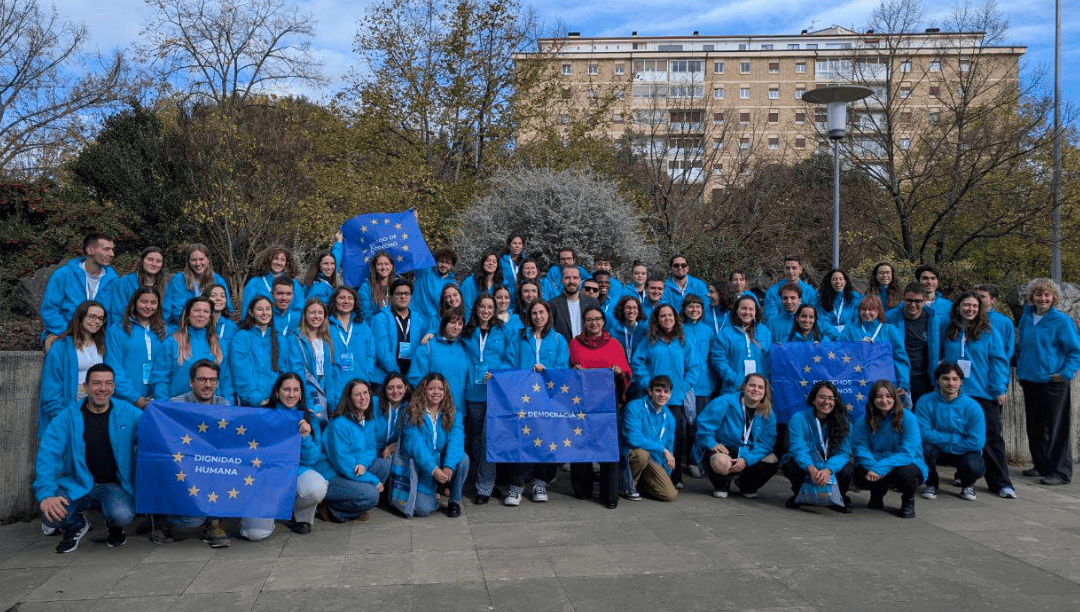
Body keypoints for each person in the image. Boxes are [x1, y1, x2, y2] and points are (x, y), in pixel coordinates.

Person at [34, 364, 140, 553]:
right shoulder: (67, 417)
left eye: (108, 383)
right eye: (96, 383)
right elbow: (48, 455)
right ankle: (75, 525)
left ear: (114, 387)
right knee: (49, 514)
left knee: (122, 515)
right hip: (76, 484)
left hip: (112, 486)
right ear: (85, 387)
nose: (103, 388)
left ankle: (114, 525)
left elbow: (155, 431)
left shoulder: (129, 413)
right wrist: (46, 494)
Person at [941, 291, 1012, 497]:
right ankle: (964, 476)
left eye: (974, 306)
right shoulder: (949, 329)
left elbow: (999, 361)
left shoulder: (989, 331)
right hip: (954, 394)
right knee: (959, 435)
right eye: (966, 305)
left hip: (983, 393)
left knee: (991, 439)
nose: (970, 309)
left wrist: (999, 388)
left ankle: (1001, 483)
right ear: (958, 307)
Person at [160, 359, 231, 548]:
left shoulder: (224, 404)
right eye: (202, 380)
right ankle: (162, 516)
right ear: (191, 382)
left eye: (212, 380)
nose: (208, 385)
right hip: (183, 469)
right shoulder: (175, 405)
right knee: (192, 520)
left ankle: (215, 523)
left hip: (211, 467)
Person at [1016, 280, 1080, 486]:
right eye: (1038, 295)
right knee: (1035, 427)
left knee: (1056, 428)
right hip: (1030, 380)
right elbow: (1024, 348)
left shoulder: (1061, 321)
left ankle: (1060, 472)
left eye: (1047, 295)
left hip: (1053, 382)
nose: (1042, 299)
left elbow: (1074, 350)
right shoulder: (1026, 318)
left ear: (1054, 298)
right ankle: (1041, 465)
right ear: (1032, 297)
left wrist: (1066, 373)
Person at [505, 301, 568, 505]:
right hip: (523, 398)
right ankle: (515, 488)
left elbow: (563, 368)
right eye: (534, 313)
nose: (538, 316)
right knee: (521, 441)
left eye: (541, 312)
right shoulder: (520, 336)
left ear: (548, 314)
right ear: (529, 316)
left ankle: (540, 483)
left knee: (544, 439)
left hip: (547, 399)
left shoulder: (558, 339)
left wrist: (547, 369)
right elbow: (509, 362)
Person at [631, 304, 700, 489]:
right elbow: (637, 363)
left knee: (675, 436)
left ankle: (674, 476)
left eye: (670, 315)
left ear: (675, 318)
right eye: (663, 316)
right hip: (653, 397)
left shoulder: (683, 340)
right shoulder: (649, 340)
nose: (667, 319)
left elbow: (694, 367)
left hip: (675, 398)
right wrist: (648, 384)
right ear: (657, 319)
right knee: (650, 434)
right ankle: (648, 476)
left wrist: (682, 387)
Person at [568, 305, 630, 508]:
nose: (593, 322)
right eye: (589, 319)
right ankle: (582, 488)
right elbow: (565, 371)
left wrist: (619, 373)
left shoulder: (614, 344)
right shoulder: (574, 345)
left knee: (607, 447)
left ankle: (609, 495)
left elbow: (627, 373)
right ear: (584, 322)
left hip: (606, 403)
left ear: (603, 322)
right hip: (581, 403)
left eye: (597, 319)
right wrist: (573, 369)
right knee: (581, 442)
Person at [253, 373, 330, 536]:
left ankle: (300, 516)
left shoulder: (309, 417)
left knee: (317, 487)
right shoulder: (262, 414)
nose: (291, 394)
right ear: (277, 392)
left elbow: (312, 458)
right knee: (255, 533)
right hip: (267, 476)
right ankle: (271, 515)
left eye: (296, 390)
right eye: (286, 389)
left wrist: (305, 438)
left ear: (301, 393)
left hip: (296, 471)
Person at [695, 373, 779, 498]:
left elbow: (767, 443)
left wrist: (747, 459)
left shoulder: (768, 413)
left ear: (764, 392)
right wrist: (711, 444)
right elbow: (704, 426)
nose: (756, 389)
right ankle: (722, 484)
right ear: (744, 386)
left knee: (772, 459)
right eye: (752, 385)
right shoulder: (725, 402)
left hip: (748, 452)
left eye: (760, 387)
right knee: (720, 462)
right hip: (726, 448)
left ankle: (746, 485)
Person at [852, 380, 926, 518]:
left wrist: (880, 468)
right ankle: (877, 491)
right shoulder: (863, 420)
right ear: (872, 399)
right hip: (876, 462)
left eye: (888, 396)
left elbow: (907, 453)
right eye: (879, 396)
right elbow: (860, 448)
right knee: (859, 473)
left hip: (908, 462)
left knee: (904, 474)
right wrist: (874, 467)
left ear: (895, 398)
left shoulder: (908, 418)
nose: (884, 400)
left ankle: (908, 500)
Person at [461, 295, 510, 505]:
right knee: (476, 440)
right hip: (473, 392)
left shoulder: (502, 331)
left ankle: (484, 487)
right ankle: (486, 480)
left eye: (490, 307)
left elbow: (510, 359)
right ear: (476, 308)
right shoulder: (467, 331)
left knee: (489, 438)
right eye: (482, 306)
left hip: (495, 393)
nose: (486, 310)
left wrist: (498, 374)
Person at [38, 301, 111, 437]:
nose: (96, 322)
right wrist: (60, 416)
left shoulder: (102, 345)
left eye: (100, 319)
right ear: (81, 317)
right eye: (92, 317)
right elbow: (50, 386)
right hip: (70, 404)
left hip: (97, 404)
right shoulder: (61, 347)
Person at [401, 373, 469, 517]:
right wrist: (433, 470)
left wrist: (449, 465)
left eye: (441, 389)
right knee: (422, 509)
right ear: (423, 390)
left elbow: (456, 439)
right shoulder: (412, 412)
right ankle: (436, 490)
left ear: (446, 392)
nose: (436, 392)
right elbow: (415, 445)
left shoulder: (453, 412)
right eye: (431, 388)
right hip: (424, 466)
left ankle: (454, 500)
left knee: (463, 459)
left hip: (443, 461)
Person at [915, 363, 986, 501]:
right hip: (936, 449)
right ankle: (931, 484)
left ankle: (967, 485)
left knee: (974, 466)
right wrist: (956, 438)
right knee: (922, 449)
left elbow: (976, 442)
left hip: (963, 451)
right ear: (937, 380)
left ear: (961, 381)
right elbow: (923, 433)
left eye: (955, 379)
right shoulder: (924, 402)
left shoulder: (973, 407)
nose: (951, 383)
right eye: (946, 378)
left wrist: (945, 441)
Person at [780, 381, 853, 512]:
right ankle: (800, 494)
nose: (826, 401)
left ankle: (838, 497)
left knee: (846, 469)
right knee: (792, 465)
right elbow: (798, 449)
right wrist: (811, 468)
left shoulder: (845, 422)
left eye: (831, 398)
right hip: (808, 462)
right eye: (822, 397)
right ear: (813, 400)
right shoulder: (799, 418)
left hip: (829, 463)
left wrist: (827, 470)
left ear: (835, 402)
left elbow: (843, 452)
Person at [321, 379, 388, 522]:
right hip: (332, 475)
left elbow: (371, 449)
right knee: (371, 495)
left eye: (365, 393)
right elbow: (342, 462)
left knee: (384, 466)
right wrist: (372, 480)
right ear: (349, 398)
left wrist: (363, 463)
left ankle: (354, 505)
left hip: (350, 469)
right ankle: (332, 510)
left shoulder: (367, 420)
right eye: (358, 395)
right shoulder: (339, 424)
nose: (363, 398)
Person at [40, 233, 117, 348]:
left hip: (99, 337)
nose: (111, 254)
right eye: (106, 249)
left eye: (112, 249)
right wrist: (68, 333)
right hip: (64, 334)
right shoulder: (63, 275)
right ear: (90, 250)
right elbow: (50, 310)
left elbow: (114, 315)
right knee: (62, 351)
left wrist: (103, 337)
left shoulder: (114, 281)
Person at [152, 296, 232, 403]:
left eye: (206, 311)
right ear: (188, 314)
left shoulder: (220, 344)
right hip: (179, 405)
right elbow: (161, 378)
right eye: (197, 310)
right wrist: (163, 406)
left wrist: (229, 408)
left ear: (210, 317)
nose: (201, 315)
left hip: (211, 407)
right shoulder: (171, 343)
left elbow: (225, 380)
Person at [621, 375, 678, 502]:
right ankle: (625, 485)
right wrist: (662, 450)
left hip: (654, 461)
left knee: (670, 495)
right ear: (650, 391)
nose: (662, 395)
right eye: (658, 390)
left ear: (670, 394)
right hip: (633, 455)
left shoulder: (669, 417)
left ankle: (640, 484)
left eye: (666, 391)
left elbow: (670, 445)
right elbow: (633, 438)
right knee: (642, 455)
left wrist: (665, 474)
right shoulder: (634, 407)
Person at [106, 288, 166, 408]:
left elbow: (167, 368)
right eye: (143, 301)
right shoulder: (116, 331)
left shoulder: (164, 332)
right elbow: (114, 368)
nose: (148, 306)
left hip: (157, 401)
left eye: (153, 303)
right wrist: (134, 397)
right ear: (134, 303)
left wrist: (161, 397)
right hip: (125, 400)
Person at [840, 295, 910, 394]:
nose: (867, 313)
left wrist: (903, 382)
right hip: (857, 385)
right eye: (863, 309)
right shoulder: (849, 330)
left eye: (871, 309)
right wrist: (857, 347)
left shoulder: (889, 330)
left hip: (885, 385)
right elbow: (840, 354)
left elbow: (900, 358)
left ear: (879, 311)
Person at [886, 282, 942, 407]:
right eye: (909, 300)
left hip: (924, 377)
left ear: (925, 300)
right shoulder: (890, 318)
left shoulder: (933, 319)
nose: (913, 305)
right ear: (903, 299)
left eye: (917, 301)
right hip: (897, 376)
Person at [681, 295, 718, 477]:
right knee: (684, 425)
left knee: (699, 425)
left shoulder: (708, 331)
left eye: (697, 307)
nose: (694, 310)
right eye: (690, 306)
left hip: (704, 385)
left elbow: (713, 358)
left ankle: (696, 461)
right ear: (684, 309)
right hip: (684, 384)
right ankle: (682, 460)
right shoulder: (679, 329)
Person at [286, 298, 338, 422]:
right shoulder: (295, 339)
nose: (316, 316)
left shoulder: (327, 340)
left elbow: (329, 371)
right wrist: (309, 398)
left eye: (320, 313)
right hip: (309, 390)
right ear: (305, 315)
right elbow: (297, 370)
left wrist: (331, 400)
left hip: (325, 387)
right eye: (312, 312)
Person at [229, 296, 286, 407]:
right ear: (251, 312)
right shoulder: (242, 337)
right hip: (250, 404)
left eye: (268, 309)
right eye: (260, 309)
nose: (265, 313)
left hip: (277, 404)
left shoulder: (280, 339)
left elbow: (284, 371)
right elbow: (241, 372)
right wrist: (257, 400)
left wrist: (277, 399)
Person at [409, 308, 470, 410]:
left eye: (460, 324)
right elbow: (416, 377)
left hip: (458, 409)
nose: (456, 327)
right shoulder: (427, 346)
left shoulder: (464, 346)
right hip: (433, 409)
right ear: (444, 323)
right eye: (452, 323)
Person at [712, 294, 772, 395]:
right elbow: (718, 359)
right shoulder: (726, 334)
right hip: (733, 388)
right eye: (743, 308)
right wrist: (735, 379)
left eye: (751, 309)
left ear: (756, 311)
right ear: (737, 310)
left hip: (759, 390)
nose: (747, 312)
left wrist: (764, 383)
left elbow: (769, 358)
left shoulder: (764, 332)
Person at [163, 244, 229, 326]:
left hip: (214, 324)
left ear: (208, 260)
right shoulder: (179, 280)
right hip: (184, 325)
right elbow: (177, 310)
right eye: (194, 260)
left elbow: (226, 306)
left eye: (201, 259)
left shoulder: (217, 279)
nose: (198, 263)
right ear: (188, 262)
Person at [328, 287, 377, 397]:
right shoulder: (326, 327)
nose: (346, 301)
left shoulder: (362, 326)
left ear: (355, 302)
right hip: (336, 386)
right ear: (334, 301)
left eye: (350, 298)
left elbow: (370, 353)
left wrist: (367, 373)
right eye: (342, 298)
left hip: (361, 383)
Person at [100, 246, 167, 324]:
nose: (154, 264)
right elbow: (118, 313)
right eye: (150, 260)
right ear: (142, 261)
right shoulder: (124, 282)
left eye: (158, 261)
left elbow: (166, 313)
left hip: (154, 330)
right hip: (128, 328)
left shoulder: (165, 286)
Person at [372, 279, 423, 381]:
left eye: (406, 293)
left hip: (411, 378)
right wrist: (396, 375)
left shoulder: (419, 321)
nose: (403, 297)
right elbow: (382, 351)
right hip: (385, 378)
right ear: (392, 297)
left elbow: (420, 351)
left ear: (411, 297)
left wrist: (411, 376)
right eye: (398, 293)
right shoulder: (380, 319)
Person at [240, 246, 304, 320]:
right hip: (262, 328)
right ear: (268, 260)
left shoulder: (294, 283)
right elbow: (246, 310)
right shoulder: (255, 283)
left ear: (286, 262)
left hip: (287, 328)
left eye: (282, 260)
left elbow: (299, 310)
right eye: (275, 259)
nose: (279, 263)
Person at [549, 264, 601, 343]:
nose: (571, 281)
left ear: (580, 280)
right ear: (562, 280)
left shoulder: (593, 303)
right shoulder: (552, 305)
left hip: (588, 350)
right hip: (565, 352)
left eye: (575, 278)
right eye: (567, 278)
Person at [763, 256, 818, 320]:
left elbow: (815, 316)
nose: (790, 271)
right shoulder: (772, 292)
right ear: (784, 270)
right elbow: (771, 319)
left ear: (800, 269)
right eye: (787, 268)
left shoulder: (811, 292)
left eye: (794, 268)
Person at [413, 248, 457, 323]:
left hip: (435, 325)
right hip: (415, 320)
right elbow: (416, 251)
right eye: (441, 261)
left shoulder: (453, 285)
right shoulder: (424, 272)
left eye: (447, 263)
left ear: (451, 266)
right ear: (436, 261)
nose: (444, 265)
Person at [974, 283, 1016, 362]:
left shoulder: (1004, 322)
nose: (978, 299)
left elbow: (1008, 349)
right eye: (975, 296)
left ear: (993, 299)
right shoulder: (967, 318)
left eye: (982, 297)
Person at [608, 295, 647, 367]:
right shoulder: (613, 332)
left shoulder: (645, 331)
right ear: (622, 310)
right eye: (628, 308)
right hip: (620, 372)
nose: (631, 311)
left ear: (639, 311)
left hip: (639, 371)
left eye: (635, 308)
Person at [818, 269, 860, 333]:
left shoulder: (855, 298)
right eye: (834, 279)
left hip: (850, 336)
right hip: (829, 337)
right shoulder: (822, 299)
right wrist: (835, 334)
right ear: (830, 282)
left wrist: (846, 333)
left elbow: (857, 318)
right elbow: (822, 321)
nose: (838, 281)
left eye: (841, 279)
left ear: (845, 281)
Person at [358, 251, 396, 322]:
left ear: (391, 266)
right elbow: (365, 314)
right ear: (374, 267)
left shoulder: (397, 285)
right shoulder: (366, 288)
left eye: (386, 264)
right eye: (379, 264)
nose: (383, 267)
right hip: (376, 328)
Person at [204, 283, 238, 349]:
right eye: (213, 296)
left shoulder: (231, 327)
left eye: (222, 296)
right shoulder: (199, 325)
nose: (218, 299)